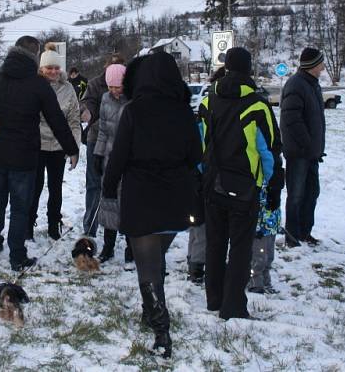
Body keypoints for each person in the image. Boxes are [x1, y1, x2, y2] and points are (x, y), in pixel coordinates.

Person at [102, 52, 201, 358]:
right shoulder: (185, 112)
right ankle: (150, 312)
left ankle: (162, 331)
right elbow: (196, 156)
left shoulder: (134, 111)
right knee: (156, 260)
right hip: (176, 198)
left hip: (142, 196)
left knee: (148, 266)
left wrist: (107, 187)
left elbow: (118, 155)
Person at [0, 36, 79, 271]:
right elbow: (56, 120)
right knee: (20, 208)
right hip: (24, 157)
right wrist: (71, 149)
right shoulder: (38, 84)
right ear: (35, 55)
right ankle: (17, 255)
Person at [199, 47, 283, 320]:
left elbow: (200, 142)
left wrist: (203, 173)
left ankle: (213, 298)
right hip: (244, 186)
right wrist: (272, 185)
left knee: (215, 243)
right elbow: (269, 151)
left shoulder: (209, 100)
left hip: (213, 183)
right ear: (248, 70)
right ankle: (233, 306)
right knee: (240, 247)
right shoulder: (258, 106)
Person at [27, 44, 82, 241]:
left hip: (59, 146)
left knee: (55, 187)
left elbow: (74, 120)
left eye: (56, 68)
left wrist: (73, 148)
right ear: (41, 69)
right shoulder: (33, 86)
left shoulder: (68, 89)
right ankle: (28, 222)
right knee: (35, 186)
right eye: (49, 68)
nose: (53, 71)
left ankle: (53, 223)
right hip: (37, 144)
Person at [281, 47, 326, 247]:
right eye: (321, 63)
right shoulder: (296, 85)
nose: (323, 67)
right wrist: (307, 144)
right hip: (299, 153)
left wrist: (315, 148)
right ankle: (292, 236)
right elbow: (291, 119)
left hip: (311, 154)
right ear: (313, 65)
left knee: (312, 193)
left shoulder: (312, 85)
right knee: (296, 195)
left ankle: (305, 232)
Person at [187, 67, 225, 284]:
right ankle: (197, 265)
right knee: (202, 223)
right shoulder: (208, 107)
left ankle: (195, 262)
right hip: (206, 175)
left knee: (199, 223)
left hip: (204, 174)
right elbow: (201, 143)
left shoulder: (206, 105)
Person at [81, 53, 126, 237]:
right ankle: (90, 225)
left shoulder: (129, 88)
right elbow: (88, 102)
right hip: (97, 138)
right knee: (94, 184)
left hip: (121, 143)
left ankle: (120, 224)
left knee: (120, 186)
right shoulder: (95, 84)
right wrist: (88, 113)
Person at [92, 63, 129, 263]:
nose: (114, 91)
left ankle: (132, 248)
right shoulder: (105, 99)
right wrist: (98, 154)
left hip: (129, 160)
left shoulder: (133, 100)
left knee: (130, 204)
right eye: (111, 87)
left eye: (118, 86)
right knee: (109, 202)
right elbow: (104, 130)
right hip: (109, 157)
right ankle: (108, 247)